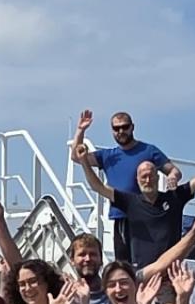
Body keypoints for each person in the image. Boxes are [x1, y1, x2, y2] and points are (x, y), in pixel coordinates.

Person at [73, 122, 195, 276]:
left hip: (170, 275)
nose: (147, 179)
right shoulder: (130, 202)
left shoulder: (174, 197)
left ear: (158, 177)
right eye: (143, 176)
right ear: (137, 180)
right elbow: (98, 187)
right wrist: (84, 161)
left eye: (151, 175)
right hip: (142, 276)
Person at [75, 109, 182, 266]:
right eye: (116, 128)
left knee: (151, 260)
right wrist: (81, 130)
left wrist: (172, 177)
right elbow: (76, 157)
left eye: (124, 127)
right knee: (124, 264)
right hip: (121, 216)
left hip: (148, 214)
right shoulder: (107, 155)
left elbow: (174, 170)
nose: (121, 131)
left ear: (132, 127)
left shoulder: (149, 150)